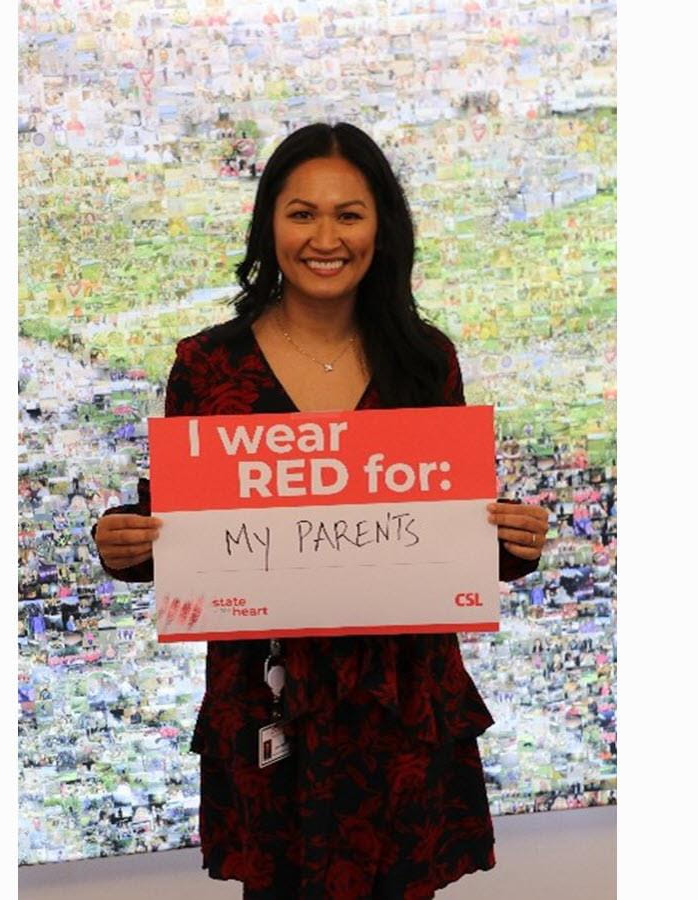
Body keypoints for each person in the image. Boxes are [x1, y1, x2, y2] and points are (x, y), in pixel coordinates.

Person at [92, 122, 551, 898]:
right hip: (270, 699)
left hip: (401, 706)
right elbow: (176, 526)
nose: (326, 238)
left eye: (349, 214)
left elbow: (454, 527)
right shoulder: (208, 365)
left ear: (382, 227)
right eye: (302, 213)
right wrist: (121, 542)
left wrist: (515, 541)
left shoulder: (425, 360)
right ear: (269, 223)